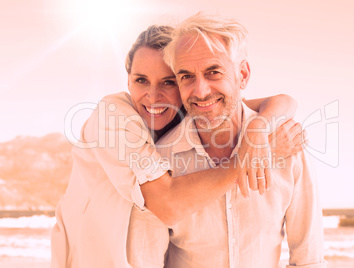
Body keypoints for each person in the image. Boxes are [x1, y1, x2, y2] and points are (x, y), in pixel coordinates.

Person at [51, 25, 305, 267]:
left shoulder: (189, 115)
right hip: (89, 257)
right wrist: (260, 155)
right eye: (141, 80)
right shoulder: (113, 115)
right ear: (127, 80)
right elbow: (165, 203)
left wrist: (258, 128)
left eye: (169, 81)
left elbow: (277, 101)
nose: (152, 95)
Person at [135, 13, 326, 268]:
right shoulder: (160, 161)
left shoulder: (288, 144)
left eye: (213, 72)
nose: (201, 91)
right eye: (186, 77)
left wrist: (258, 129)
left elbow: (309, 260)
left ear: (243, 75)